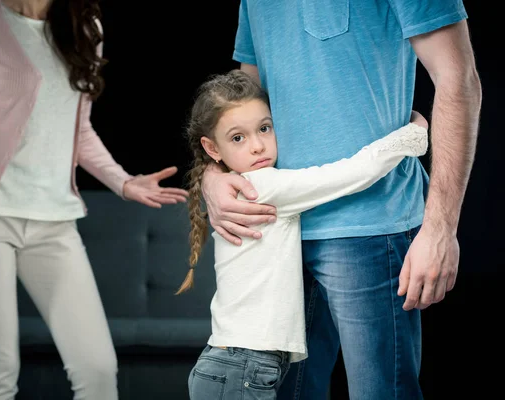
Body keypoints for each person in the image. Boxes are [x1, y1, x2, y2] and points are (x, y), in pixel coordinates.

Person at [201, 1, 482, 399]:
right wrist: (212, 174)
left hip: (371, 229)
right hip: (274, 231)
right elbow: (243, 97)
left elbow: (459, 79)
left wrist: (441, 227)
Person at [0, 0, 188, 399]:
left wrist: (123, 182)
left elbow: (79, 131)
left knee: (97, 368)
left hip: (53, 222)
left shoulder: (86, 27)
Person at [176, 70, 428, 400]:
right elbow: (350, 174)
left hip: (234, 365)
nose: (257, 146)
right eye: (238, 138)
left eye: (265, 129)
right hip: (241, 368)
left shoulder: (243, 184)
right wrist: (413, 133)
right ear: (212, 148)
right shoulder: (262, 187)